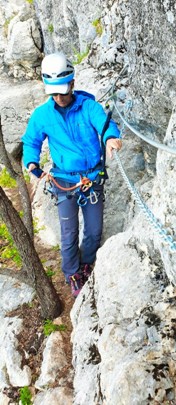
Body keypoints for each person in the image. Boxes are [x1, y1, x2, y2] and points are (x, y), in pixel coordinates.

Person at [22, 52, 122, 298]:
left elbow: (105, 123)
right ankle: (72, 274)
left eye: (63, 92)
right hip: (63, 180)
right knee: (69, 234)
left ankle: (86, 264)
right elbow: (30, 142)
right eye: (54, 93)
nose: (59, 97)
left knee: (94, 230)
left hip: (91, 179)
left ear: (73, 84)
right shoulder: (43, 115)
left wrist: (110, 138)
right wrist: (32, 163)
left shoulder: (88, 106)